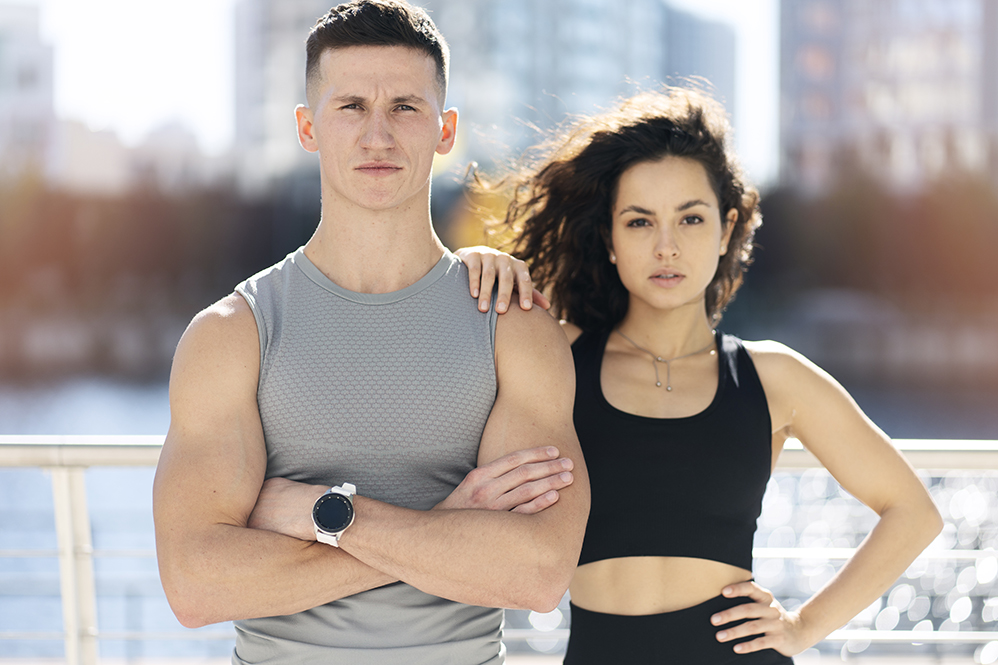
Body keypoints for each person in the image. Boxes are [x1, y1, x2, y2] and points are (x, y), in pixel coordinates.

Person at [152, 2, 589, 663]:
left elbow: (535, 573)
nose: (377, 135)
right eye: (351, 105)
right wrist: (445, 527)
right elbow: (195, 584)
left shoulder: (513, 327)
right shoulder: (233, 334)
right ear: (308, 127)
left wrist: (324, 513)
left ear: (446, 131)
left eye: (406, 108)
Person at [457, 87, 942, 664]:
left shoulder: (774, 377)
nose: (667, 247)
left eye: (691, 218)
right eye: (639, 222)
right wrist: (471, 267)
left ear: (726, 227)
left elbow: (914, 512)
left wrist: (802, 626)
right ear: (609, 239)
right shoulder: (556, 354)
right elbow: (428, 354)